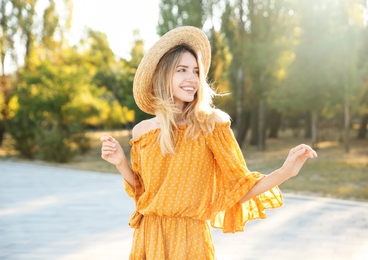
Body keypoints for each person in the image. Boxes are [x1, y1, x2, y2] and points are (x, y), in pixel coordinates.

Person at [100, 26, 317, 259]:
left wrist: (285, 172)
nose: (191, 78)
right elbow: (142, 193)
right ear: (163, 75)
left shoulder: (211, 125)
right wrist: (121, 162)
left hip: (190, 241)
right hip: (148, 238)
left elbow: (238, 187)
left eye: (195, 71)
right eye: (181, 70)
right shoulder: (142, 131)